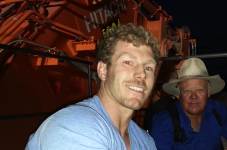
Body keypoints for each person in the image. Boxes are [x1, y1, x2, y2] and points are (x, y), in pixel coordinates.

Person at [26, 23, 160, 150]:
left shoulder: (146, 141)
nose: (142, 74)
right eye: (128, 62)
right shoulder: (75, 127)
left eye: (148, 67)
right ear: (103, 70)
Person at [149, 57, 227, 150]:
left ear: (208, 92)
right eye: (187, 91)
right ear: (179, 94)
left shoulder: (217, 111)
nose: (193, 96)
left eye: (199, 90)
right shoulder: (163, 122)